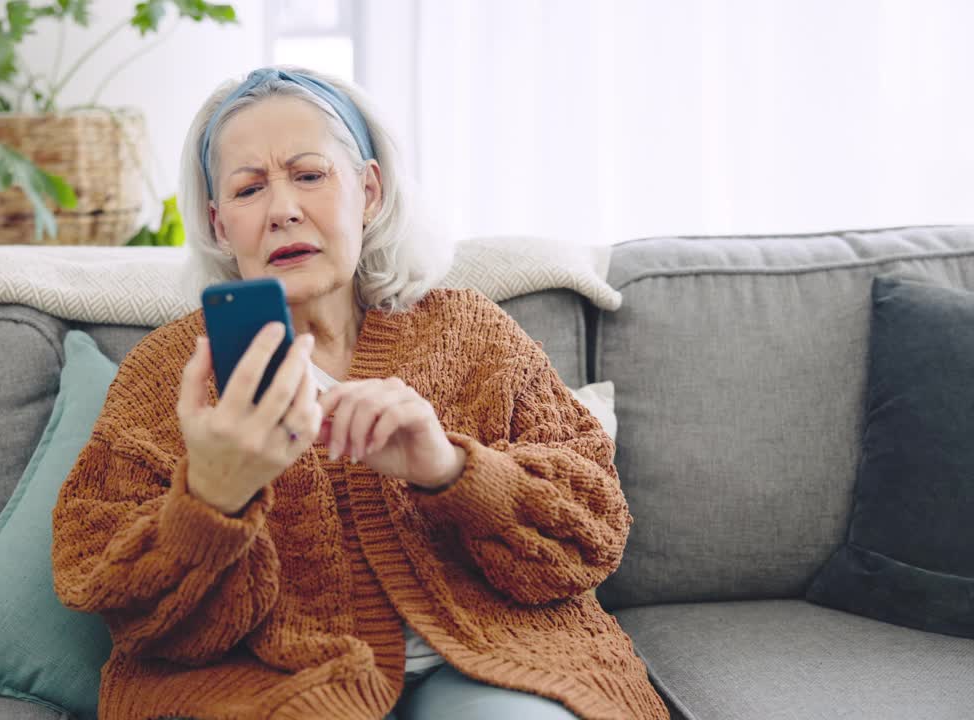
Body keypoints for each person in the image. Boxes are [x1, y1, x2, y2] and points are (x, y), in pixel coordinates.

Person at [51, 66, 669, 720]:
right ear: (219, 224)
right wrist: (211, 497)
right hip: (267, 690)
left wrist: (452, 469)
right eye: (249, 187)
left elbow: (593, 529)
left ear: (368, 192)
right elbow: (113, 593)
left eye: (310, 175)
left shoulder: (471, 331)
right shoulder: (169, 374)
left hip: (500, 665)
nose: (283, 208)